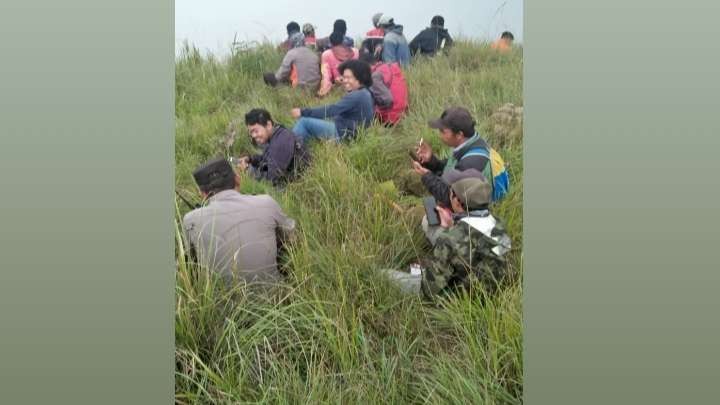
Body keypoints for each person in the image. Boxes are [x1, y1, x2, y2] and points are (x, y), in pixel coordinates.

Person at [182, 158, 296, 284]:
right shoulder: (267, 202)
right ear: (237, 179)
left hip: (218, 303)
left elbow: (191, 264)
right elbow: (293, 237)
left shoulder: (189, 220)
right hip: (278, 298)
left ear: (202, 194)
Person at [420, 169, 512, 297]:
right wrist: (453, 226)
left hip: (460, 300)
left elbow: (428, 289)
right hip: (496, 291)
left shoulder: (449, 239)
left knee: (388, 275)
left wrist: (448, 232)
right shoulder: (499, 224)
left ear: (457, 201)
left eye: (451, 192)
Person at [411, 107, 496, 209]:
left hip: (469, 211)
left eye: (443, 131)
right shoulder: (472, 143)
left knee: (417, 212)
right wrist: (431, 160)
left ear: (459, 134)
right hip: (464, 198)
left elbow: (450, 198)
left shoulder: (471, 163)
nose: (440, 135)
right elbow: (452, 169)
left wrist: (426, 175)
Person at [291, 59, 374, 142]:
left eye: (348, 78)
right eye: (344, 77)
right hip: (353, 134)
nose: (345, 81)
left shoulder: (357, 95)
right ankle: (300, 148)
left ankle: (292, 149)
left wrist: (303, 112)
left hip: (345, 135)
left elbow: (332, 110)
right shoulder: (366, 92)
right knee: (310, 128)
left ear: (360, 77)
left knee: (304, 122)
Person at [234, 108, 310, 186]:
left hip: (296, 183)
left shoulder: (281, 140)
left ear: (268, 125)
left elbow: (270, 179)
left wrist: (247, 169)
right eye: (251, 132)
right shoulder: (273, 137)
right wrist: (251, 160)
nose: (253, 136)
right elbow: (267, 160)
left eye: (256, 131)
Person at [360, 47, 408, 125]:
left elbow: (388, 100)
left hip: (390, 118)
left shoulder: (375, 76)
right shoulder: (390, 67)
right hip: (402, 113)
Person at [317, 31, 359, 97]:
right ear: (343, 40)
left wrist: (322, 93)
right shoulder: (355, 52)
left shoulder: (327, 54)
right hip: (356, 88)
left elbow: (326, 77)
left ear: (330, 42)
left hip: (338, 89)